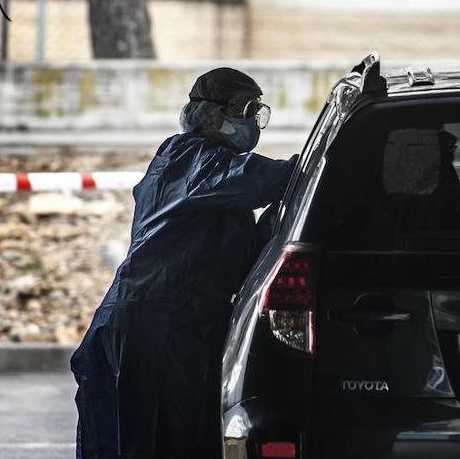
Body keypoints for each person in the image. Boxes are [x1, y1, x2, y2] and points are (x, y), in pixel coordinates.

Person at [71, 68, 296, 459]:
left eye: (257, 111)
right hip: (156, 327)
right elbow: (268, 179)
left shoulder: (195, 169)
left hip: (162, 323)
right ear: (208, 114)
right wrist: (326, 157)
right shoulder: (196, 161)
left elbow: (227, 248)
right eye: (243, 109)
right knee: (152, 442)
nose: (250, 122)